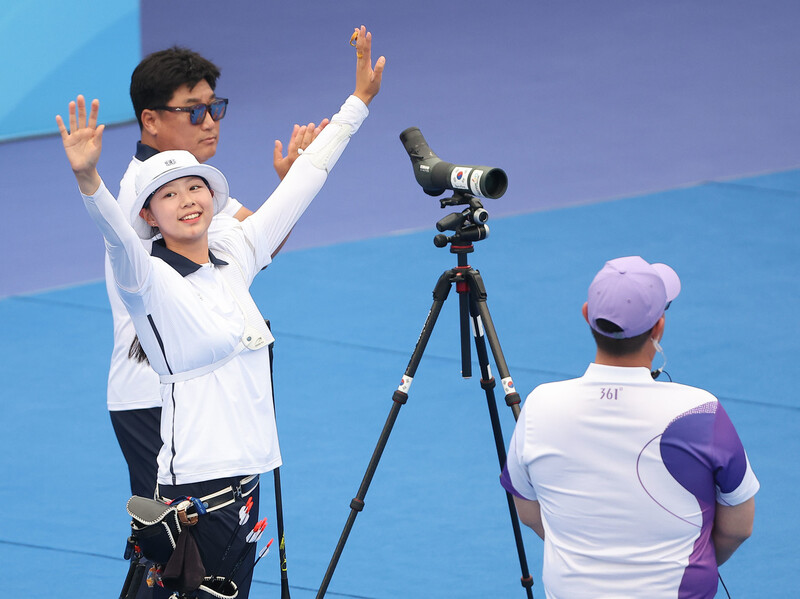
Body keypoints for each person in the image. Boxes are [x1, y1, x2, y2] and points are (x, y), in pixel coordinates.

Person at [57, 25, 384, 599]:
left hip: (246, 462)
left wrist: (356, 103)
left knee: (206, 580)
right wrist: (89, 180)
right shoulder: (147, 262)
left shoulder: (230, 247)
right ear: (149, 215)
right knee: (175, 578)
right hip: (175, 437)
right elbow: (119, 242)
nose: (188, 199)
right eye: (172, 196)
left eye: (197, 190)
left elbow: (301, 187)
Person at [109, 46, 327, 502]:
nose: (209, 121)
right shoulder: (145, 189)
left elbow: (257, 241)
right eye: (193, 111)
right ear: (150, 120)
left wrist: (291, 190)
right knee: (173, 553)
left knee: (206, 552)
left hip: (201, 386)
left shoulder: (187, 185)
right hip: (156, 393)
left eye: (214, 107)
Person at [500, 256, 759, 599]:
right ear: (659, 328)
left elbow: (528, 510)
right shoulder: (702, 411)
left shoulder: (538, 405)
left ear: (586, 314)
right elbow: (738, 528)